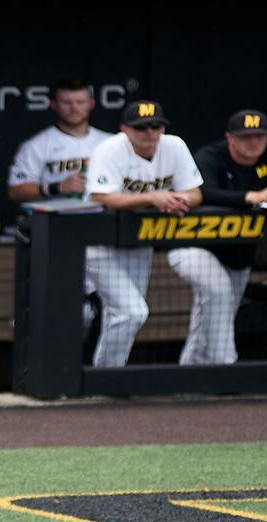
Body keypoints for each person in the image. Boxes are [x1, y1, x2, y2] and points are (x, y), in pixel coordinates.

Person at [168, 110, 267, 365]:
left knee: (215, 314)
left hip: (238, 253)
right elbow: (203, 192)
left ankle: (190, 375)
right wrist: (249, 197)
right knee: (219, 294)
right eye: (246, 136)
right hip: (194, 247)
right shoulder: (212, 156)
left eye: (260, 136)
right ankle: (226, 368)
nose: (254, 142)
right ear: (230, 138)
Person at [83, 100, 204, 366]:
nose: (150, 133)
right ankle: (104, 378)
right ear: (124, 129)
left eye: (155, 126)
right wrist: (154, 198)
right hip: (98, 243)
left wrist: (175, 199)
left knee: (125, 314)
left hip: (138, 242)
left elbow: (195, 193)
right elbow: (103, 197)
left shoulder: (174, 146)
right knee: (131, 312)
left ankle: (107, 378)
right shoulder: (110, 149)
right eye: (141, 128)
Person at [7, 78, 114, 204]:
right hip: (55, 219)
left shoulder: (110, 142)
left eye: (80, 102)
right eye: (66, 102)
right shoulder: (35, 146)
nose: (74, 108)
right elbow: (15, 191)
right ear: (53, 104)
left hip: (103, 218)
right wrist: (58, 187)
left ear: (91, 104)